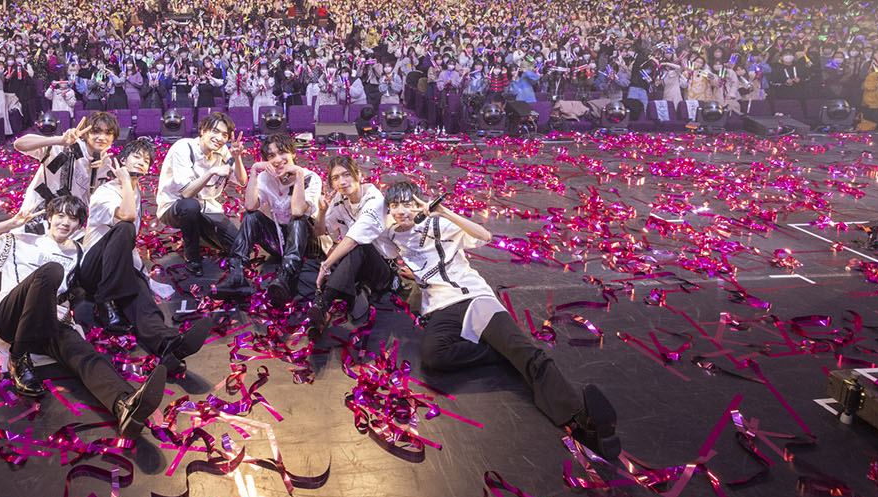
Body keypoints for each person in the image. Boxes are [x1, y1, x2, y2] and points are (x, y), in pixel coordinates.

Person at [358, 180, 621, 458]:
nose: (401, 211)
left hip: (473, 297)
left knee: (524, 350)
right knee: (434, 357)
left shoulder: (439, 224)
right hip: (439, 307)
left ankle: (581, 418)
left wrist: (444, 212)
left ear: (419, 204)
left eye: (407, 204)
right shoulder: (391, 235)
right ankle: (501, 353)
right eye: (395, 205)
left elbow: (484, 236)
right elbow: (364, 233)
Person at [0, 195, 167, 437]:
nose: (66, 222)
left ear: (79, 225)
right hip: (11, 318)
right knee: (51, 271)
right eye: (60, 215)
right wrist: (11, 223)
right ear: (49, 217)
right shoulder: (17, 241)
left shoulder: (77, 253)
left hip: (48, 322)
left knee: (84, 353)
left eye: (73, 218)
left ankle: (124, 404)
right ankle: (18, 357)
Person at [76, 136, 215, 365]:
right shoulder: (106, 192)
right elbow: (127, 217)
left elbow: (127, 248)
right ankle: (105, 302)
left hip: (118, 270)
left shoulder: (135, 191)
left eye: (147, 160)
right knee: (124, 228)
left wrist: (143, 277)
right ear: (122, 160)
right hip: (94, 270)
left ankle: (168, 345)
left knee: (141, 298)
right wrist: (123, 180)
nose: (142, 162)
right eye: (137, 157)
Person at [225, 133, 323, 305]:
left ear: (293, 153)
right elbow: (250, 205)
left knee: (297, 220)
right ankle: (236, 273)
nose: (277, 160)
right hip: (280, 241)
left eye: (282, 152)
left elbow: (298, 211)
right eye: (271, 156)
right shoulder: (266, 177)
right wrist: (254, 171)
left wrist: (298, 175)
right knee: (252, 216)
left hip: (306, 244)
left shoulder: (309, 177)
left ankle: (286, 278)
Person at [307, 155, 400, 336]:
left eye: (346, 174)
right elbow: (319, 231)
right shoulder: (340, 199)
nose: (342, 182)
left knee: (358, 246)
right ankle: (355, 293)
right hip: (357, 264)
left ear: (359, 174)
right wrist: (323, 212)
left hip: (382, 269)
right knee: (341, 252)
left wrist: (325, 266)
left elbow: (353, 239)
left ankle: (324, 302)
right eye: (335, 178)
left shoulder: (374, 200)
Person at [155, 110, 245, 284]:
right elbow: (187, 193)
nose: (219, 138)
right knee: (190, 206)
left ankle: (199, 235)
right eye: (215, 131)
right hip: (175, 207)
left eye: (224, 135)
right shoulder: (184, 148)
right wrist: (211, 172)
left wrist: (237, 157)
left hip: (207, 207)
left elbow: (241, 181)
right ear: (203, 130)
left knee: (238, 246)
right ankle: (192, 256)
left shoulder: (222, 151)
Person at [13, 112, 119, 217]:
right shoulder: (65, 146)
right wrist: (59, 140)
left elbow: (93, 199)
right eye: (96, 131)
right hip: (37, 213)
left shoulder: (105, 161)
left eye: (108, 133)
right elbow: (19, 144)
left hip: (69, 219)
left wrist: (93, 172)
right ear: (86, 133)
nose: (102, 137)